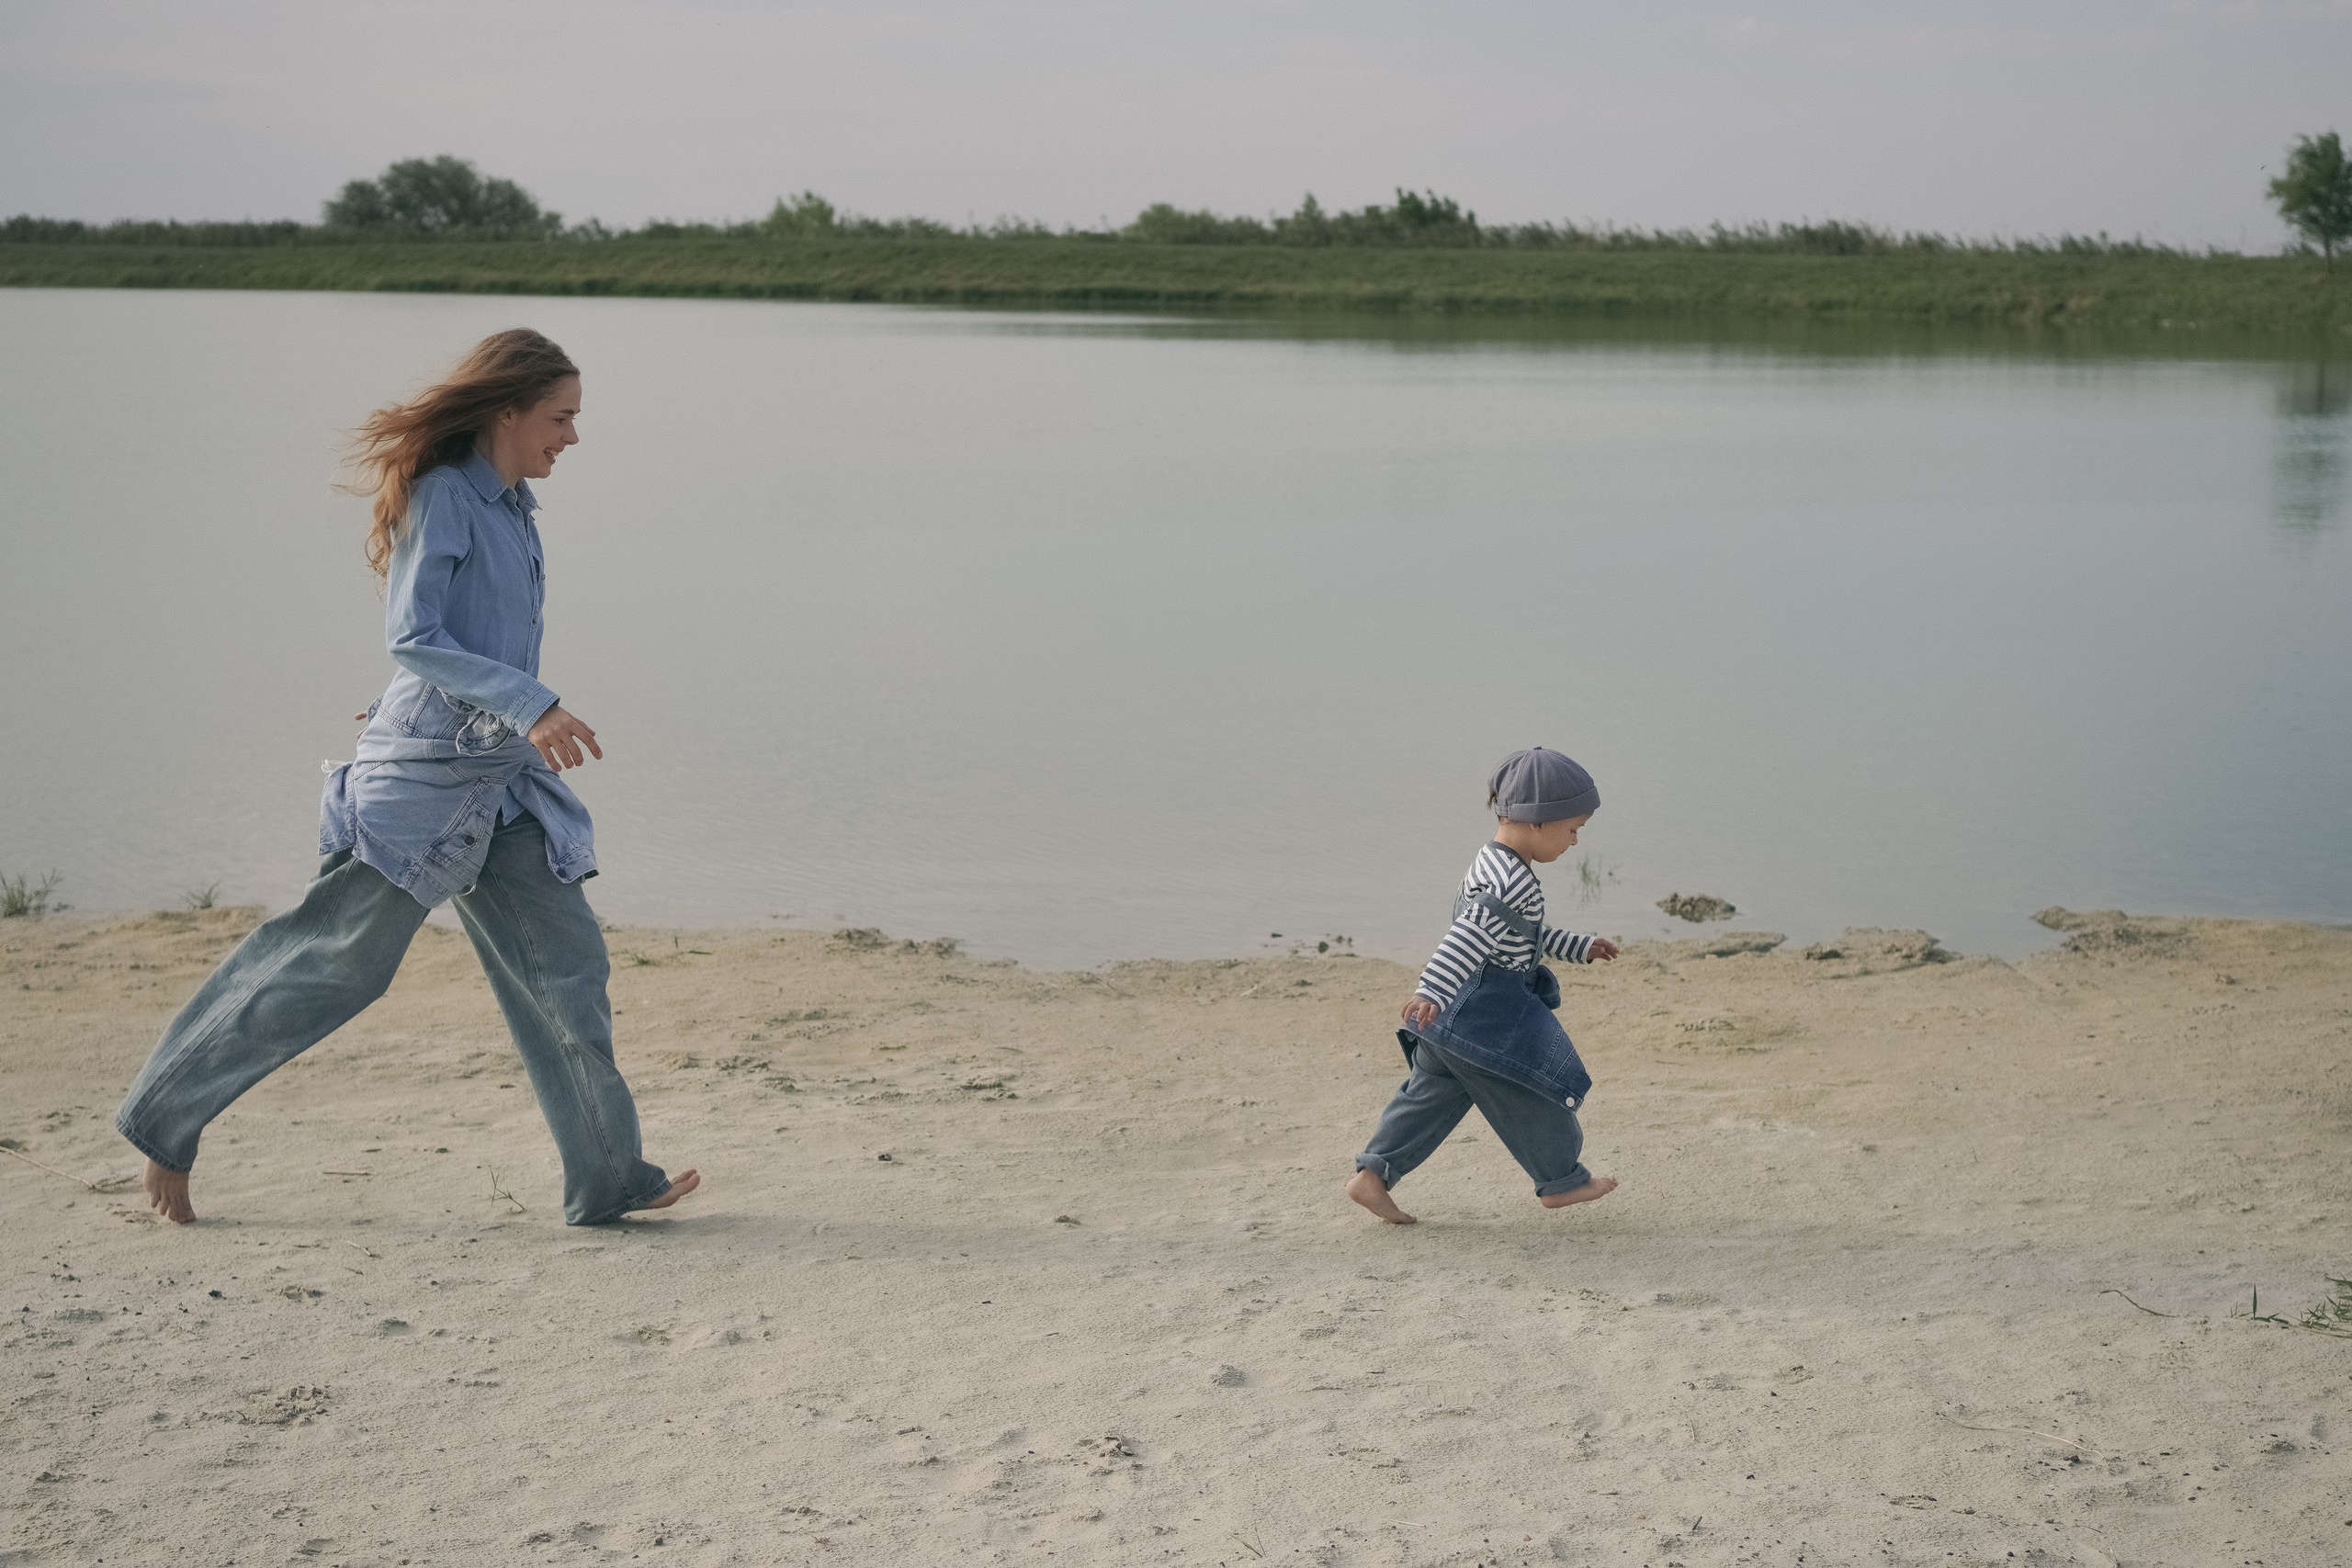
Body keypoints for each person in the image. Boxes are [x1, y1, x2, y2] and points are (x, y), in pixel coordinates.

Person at [114, 329, 698, 1226]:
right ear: (507, 411)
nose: (573, 437)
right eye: (561, 418)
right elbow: (414, 635)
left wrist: (461, 708)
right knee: (335, 965)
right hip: (426, 789)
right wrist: (529, 706)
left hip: (499, 779)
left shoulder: (508, 504)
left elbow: (453, 648)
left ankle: (609, 1175)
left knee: (565, 970)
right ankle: (164, 1119)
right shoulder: (444, 497)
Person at [1347, 746, 1620, 1224]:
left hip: (1451, 1015)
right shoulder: (1510, 882)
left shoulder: (1492, 862)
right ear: (1538, 822)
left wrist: (1579, 946)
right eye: (1572, 830)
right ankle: (1563, 1181)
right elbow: (1466, 939)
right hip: (1483, 1014)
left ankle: (1373, 1175)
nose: (1575, 842)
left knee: (1428, 1096)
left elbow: (1520, 935)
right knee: (1536, 1090)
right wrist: (1429, 990)